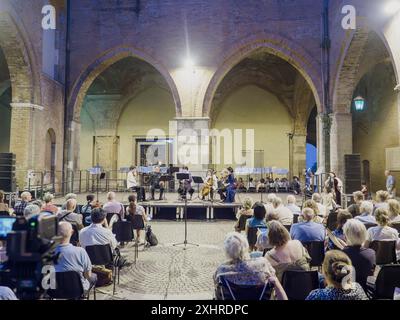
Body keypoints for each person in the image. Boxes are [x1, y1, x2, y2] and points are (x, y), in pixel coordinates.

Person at [214, 232, 287, 300]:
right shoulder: (263, 264)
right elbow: (275, 282)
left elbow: (218, 291)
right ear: (246, 246)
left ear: (227, 252)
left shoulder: (222, 270)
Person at [54, 222, 97, 293]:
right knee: (93, 276)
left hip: (54, 291)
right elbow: (88, 275)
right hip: (78, 290)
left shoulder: (47, 253)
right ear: (72, 232)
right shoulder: (80, 251)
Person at [342, 219, 376, 290]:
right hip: (365, 290)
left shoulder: (343, 254)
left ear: (346, 236)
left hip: (347, 290)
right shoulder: (371, 253)